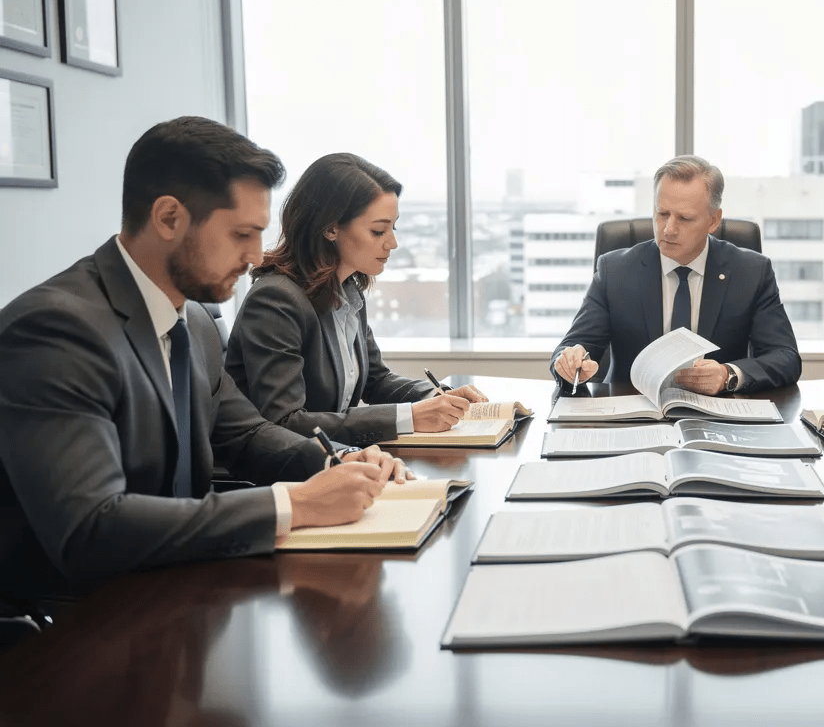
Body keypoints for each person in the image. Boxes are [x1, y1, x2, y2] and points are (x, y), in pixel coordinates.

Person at [0, 117, 406, 599]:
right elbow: (92, 527)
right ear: (169, 217)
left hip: (177, 590)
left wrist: (336, 462)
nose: (257, 256)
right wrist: (292, 505)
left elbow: (247, 434)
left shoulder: (192, 321)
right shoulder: (56, 331)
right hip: (73, 626)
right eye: (241, 235)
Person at [226, 153, 485, 448]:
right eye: (378, 230)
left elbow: (376, 381)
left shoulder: (346, 290)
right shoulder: (275, 300)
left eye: (393, 228)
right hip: (285, 479)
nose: (392, 242)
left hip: (337, 463)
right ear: (331, 228)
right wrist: (409, 417)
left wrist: (436, 397)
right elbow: (285, 422)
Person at [552, 155, 801, 394]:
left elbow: (785, 357)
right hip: (631, 415)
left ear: (713, 220)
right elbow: (573, 346)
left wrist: (729, 375)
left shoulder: (750, 272)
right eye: (662, 214)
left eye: (684, 218)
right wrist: (571, 364)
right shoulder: (614, 271)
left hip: (717, 417)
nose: (668, 229)